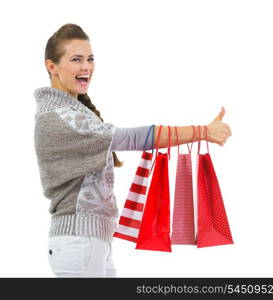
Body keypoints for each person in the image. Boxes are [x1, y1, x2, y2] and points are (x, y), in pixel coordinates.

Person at [33, 23, 232, 278]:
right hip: (78, 242)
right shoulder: (61, 118)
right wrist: (202, 131)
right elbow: (132, 138)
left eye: (90, 59)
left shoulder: (74, 113)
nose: (86, 67)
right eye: (76, 59)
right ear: (52, 67)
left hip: (90, 242)